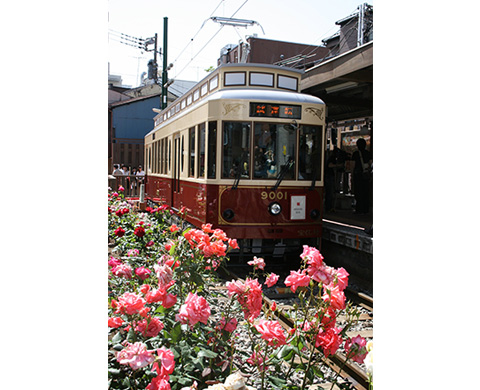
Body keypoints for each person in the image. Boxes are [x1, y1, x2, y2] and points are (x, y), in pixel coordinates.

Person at [351, 138, 372, 214]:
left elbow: (352, 166)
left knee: (358, 192)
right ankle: (365, 209)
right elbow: (370, 164)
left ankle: (359, 209)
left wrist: (352, 175)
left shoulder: (355, 154)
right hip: (365, 175)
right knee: (365, 192)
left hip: (358, 175)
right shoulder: (368, 153)